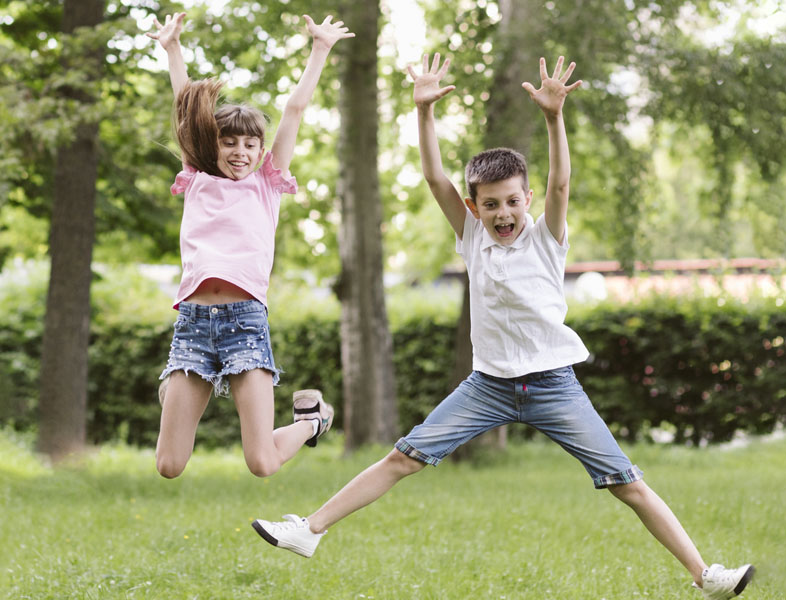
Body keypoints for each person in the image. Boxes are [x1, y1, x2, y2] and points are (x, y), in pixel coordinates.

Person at [251, 53, 755, 599]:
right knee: (403, 457)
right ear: (474, 207)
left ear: (527, 200)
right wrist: (423, 111)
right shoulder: (472, 237)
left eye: (513, 201)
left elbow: (561, 183)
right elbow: (434, 177)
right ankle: (309, 530)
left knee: (626, 482)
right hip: (486, 387)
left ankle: (706, 576)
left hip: (554, 386)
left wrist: (553, 117)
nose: (503, 213)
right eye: (490, 205)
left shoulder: (546, 238)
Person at [146, 13, 352, 479]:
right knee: (169, 465)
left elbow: (294, 110)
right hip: (193, 324)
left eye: (250, 144)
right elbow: (186, 109)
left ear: (261, 151)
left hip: (244, 324)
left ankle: (313, 421)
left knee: (262, 462)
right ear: (212, 146)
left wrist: (320, 49)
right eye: (229, 142)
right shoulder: (197, 177)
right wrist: (172, 48)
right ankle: (178, 387)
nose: (240, 151)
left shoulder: (266, 186)